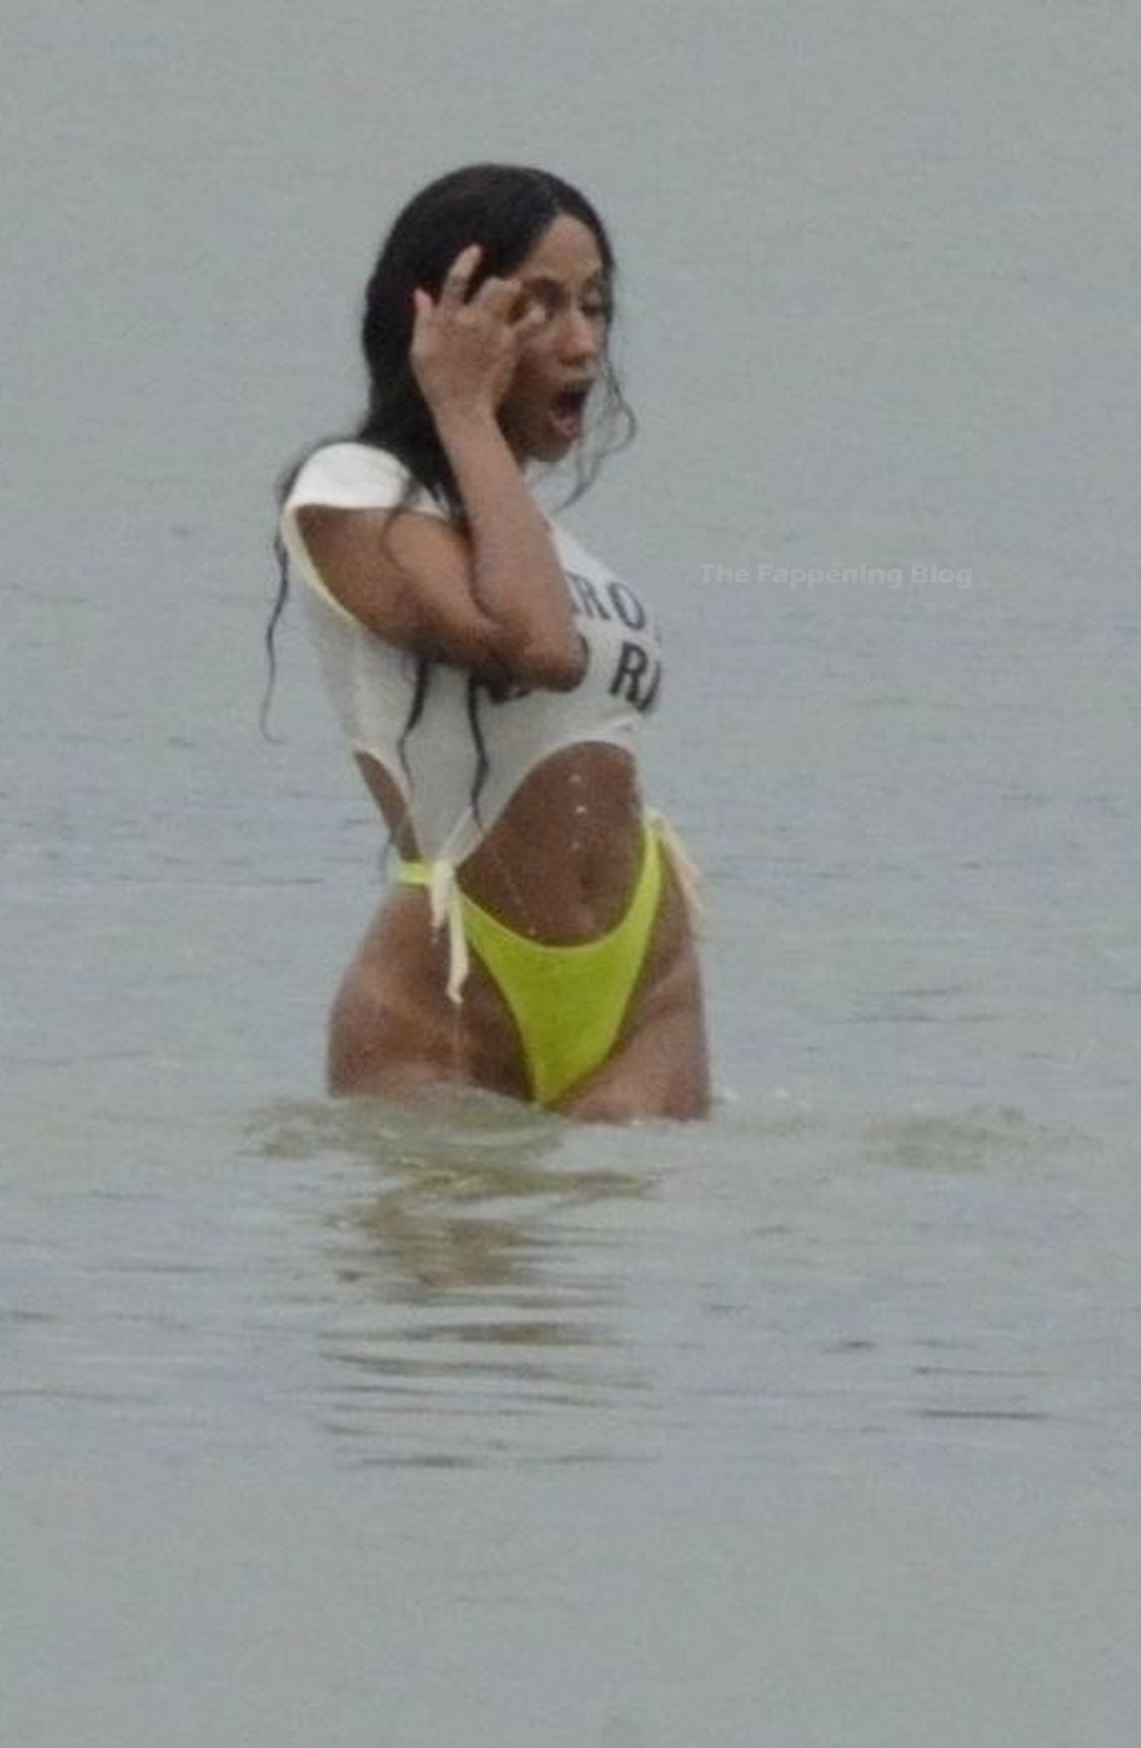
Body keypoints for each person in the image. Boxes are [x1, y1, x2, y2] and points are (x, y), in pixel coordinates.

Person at [270, 164, 709, 1121]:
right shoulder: (349, 491)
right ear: (443, 321)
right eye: (537, 306)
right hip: (454, 984)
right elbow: (540, 648)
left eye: (594, 306)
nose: (581, 344)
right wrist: (462, 408)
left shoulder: (541, 544)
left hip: (645, 978)